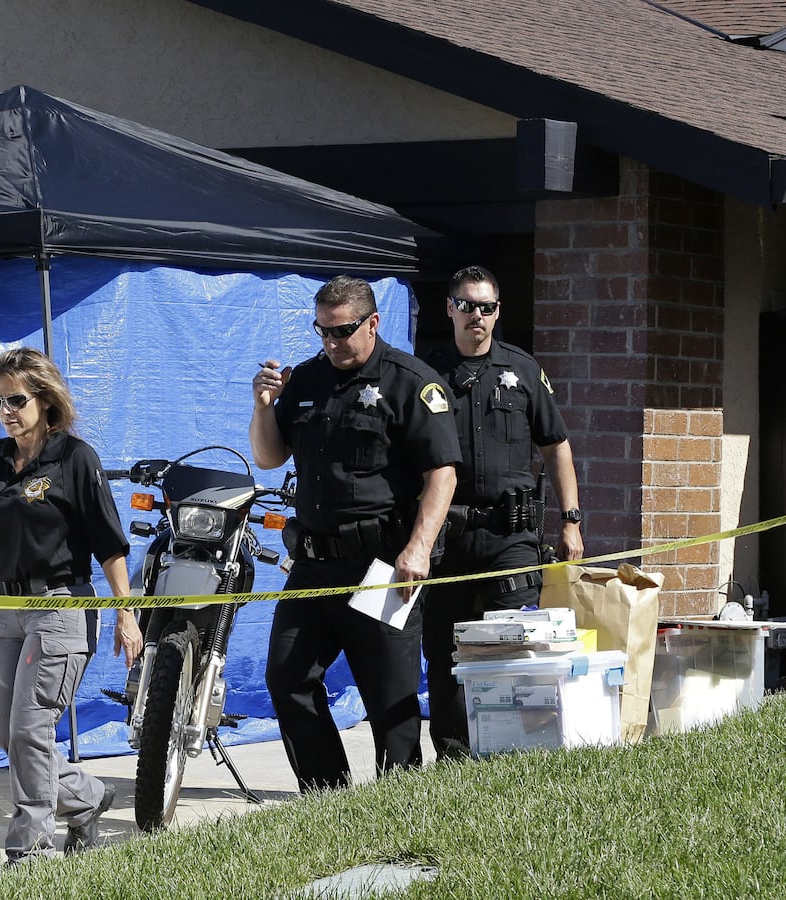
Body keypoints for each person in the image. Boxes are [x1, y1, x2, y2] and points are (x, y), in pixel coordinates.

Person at [0, 347, 143, 863]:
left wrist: (125, 611)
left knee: (30, 728)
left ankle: (32, 847)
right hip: (2, 610)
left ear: (45, 400)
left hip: (58, 608)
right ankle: (88, 797)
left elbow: (109, 543)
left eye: (16, 400)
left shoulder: (74, 459)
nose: (5, 410)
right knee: (6, 731)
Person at [248, 275, 459, 792]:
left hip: (381, 563)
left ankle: (399, 807)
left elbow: (443, 473)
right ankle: (328, 799)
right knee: (288, 677)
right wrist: (262, 407)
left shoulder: (411, 381)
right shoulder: (306, 380)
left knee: (390, 700)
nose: (332, 342)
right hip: (315, 563)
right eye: (322, 331)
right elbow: (270, 457)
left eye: (342, 331)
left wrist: (419, 548)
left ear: (373, 322)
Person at [421, 265, 585, 760]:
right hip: (448, 538)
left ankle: (515, 755)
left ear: (498, 311)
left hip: (510, 536)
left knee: (513, 646)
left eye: (487, 307)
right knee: (446, 651)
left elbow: (557, 447)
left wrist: (571, 520)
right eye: (467, 305)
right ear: (449, 308)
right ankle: (454, 760)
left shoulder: (524, 371)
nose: (477, 315)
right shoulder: (426, 373)